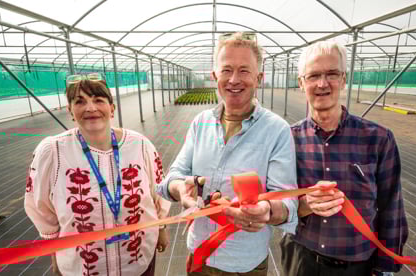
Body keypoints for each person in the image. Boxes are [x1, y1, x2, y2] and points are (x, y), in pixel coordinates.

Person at [157, 32, 298, 275]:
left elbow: (288, 201)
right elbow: (171, 178)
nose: (234, 79)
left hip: (244, 264)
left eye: (244, 70)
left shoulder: (276, 130)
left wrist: (267, 211)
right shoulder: (201, 122)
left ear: (259, 78)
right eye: (226, 70)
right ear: (215, 76)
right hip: (199, 256)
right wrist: (180, 189)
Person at [281, 41, 409, 276]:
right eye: (313, 76)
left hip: (357, 264)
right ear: (301, 83)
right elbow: (278, 201)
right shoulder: (287, 139)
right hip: (302, 257)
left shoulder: (378, 139)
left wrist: (386, 267)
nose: (322, 84)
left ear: (343, 79)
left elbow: (392, 207)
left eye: (331, 74)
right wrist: (304, 204)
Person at [24, 74, 171, 276]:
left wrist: (161, 228)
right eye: (80, 101)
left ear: (112, 108)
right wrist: (54, 252)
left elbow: (158, 192)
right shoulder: (53, 151)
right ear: (70, 111)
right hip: (81, 267)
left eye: (98, 100)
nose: (90, 108)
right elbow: (39, 204)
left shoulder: (140, 145)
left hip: (138, 260)